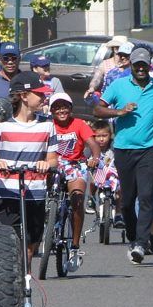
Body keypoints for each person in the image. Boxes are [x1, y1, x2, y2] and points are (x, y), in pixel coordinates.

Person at [95, 47, 153, 264]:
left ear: (150, 66)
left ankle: (141, 242)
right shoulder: (118, 85)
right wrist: (118, 112)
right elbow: (98, 110)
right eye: (136, 64)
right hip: (123, 148)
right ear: (130, 65)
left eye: (144, 65)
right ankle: (133, 237)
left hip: (149, 149)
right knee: (128, 202)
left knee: (147, 196)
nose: (140, 68)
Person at [0, 71, 58, 265]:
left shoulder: (47, 125)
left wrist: (46, 164)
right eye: (40, 94)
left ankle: (25, 280)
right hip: (7, 193)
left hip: (35, 193)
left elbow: (54, 160)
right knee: (10, 243)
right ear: (24, 96)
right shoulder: (1, 124)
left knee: (31, 244)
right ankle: (13, 281)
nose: (44, 98)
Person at [49, 93, 100, 272]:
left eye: (65, 106)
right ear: (51, 110)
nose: (61, 110)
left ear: (70, 109)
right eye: (57, 107)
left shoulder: (79, 124)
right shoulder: (47, 126)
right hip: (52, 165)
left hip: (74, 165)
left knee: (77, 199)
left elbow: (93, 144)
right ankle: (47, 227)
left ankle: (75, 246)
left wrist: (94, 157)